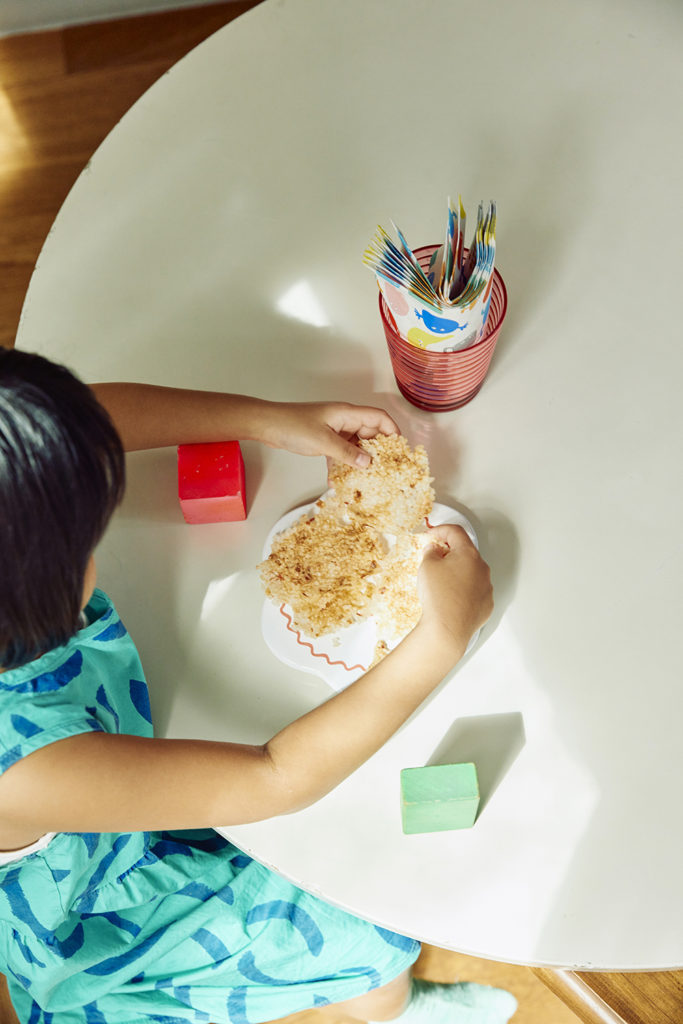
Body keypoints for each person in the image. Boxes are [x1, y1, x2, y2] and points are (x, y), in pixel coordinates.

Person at [0, 347, 516, 1024]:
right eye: (88, 540)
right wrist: (440, 640)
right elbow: (275, 776)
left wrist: (268, 420)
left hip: (104, 769)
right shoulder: (23, 770)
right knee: (367, 933)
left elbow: (89, 420)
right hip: (107, 906)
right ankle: (388, 1008)